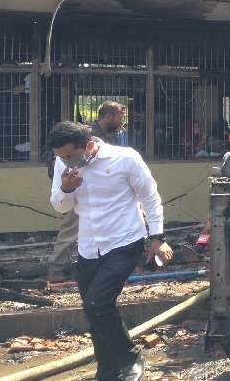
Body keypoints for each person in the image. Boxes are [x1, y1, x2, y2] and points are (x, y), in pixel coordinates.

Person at [49, 121, 172, 381]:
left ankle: (131, 356)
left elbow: (150, 197)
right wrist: (66, 188)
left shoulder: (125, 158)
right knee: (94, 312)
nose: (67, 161)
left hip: (124, 240)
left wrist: (157, 238)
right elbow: (60, 206)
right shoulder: (63, 163)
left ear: (90, 144)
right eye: (61, 157)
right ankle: (107, 370)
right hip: (88, 245)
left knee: (97, 304)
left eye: (71, 155)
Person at [48, 101, 128, 283]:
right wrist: (68, 187)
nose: (121, 120)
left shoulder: (113, 134)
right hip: (80, 188)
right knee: (72, 226)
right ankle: (57, 267)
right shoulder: (83, 135)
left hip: (105, 191)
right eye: (119, 116)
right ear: (108, 116)